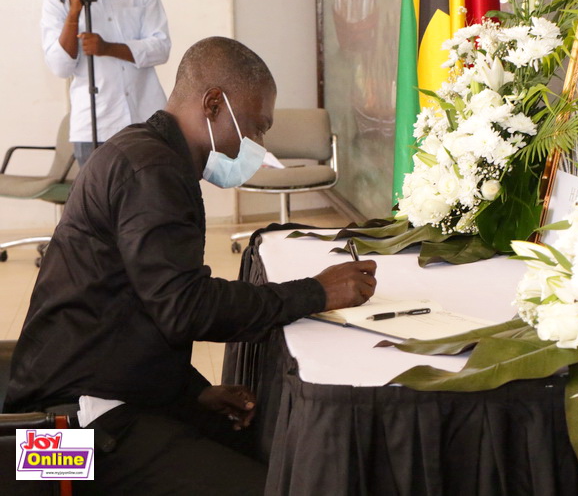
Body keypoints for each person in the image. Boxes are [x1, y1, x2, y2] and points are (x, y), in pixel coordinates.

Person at [4, 36, 378, 495]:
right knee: (276, 488)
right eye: (257, 127)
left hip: (105, 393)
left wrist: (191, 391)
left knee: (273, 452)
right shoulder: (152, 171)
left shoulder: (149, 155)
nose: (258, 144)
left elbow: (136, 308)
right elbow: (185, 307)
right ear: (214, 104)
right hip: (59, 440)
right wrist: (316, 292)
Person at [42, 0, 171, 166]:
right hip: (96, 126)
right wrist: (74, 12)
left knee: (154, 186)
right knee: (97, 188)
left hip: (146, 120)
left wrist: (108, 48)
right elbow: (60, 67)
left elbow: (161, 49)